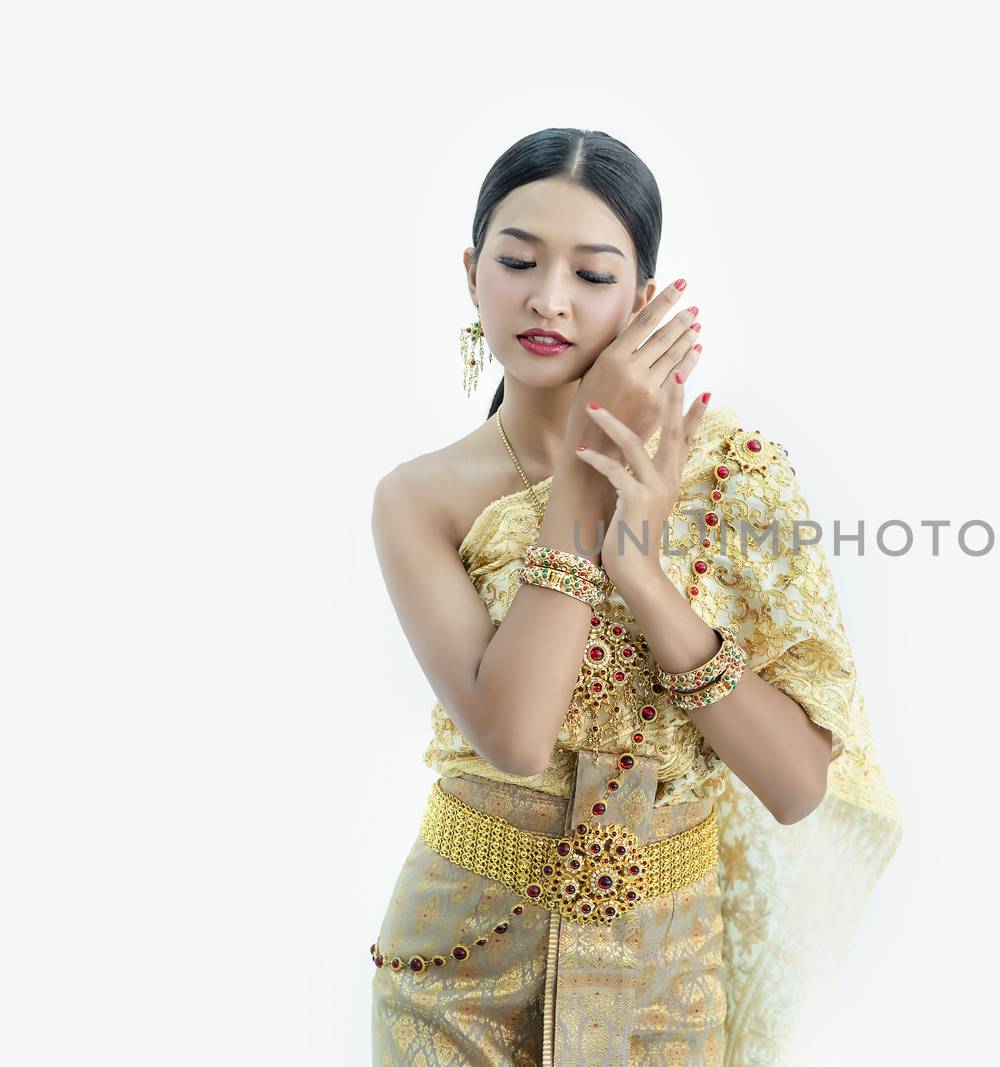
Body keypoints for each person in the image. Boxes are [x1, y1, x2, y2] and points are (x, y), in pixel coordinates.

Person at [367, 128, 901, 1067]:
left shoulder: (733, 474)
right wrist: (582, 481)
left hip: (667, 978)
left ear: (646, 301)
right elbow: (516, 735)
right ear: (470, 272)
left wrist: (645, 576)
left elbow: (797, 785)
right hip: (457, 970)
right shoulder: (420, 498)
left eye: (594, 273)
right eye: (519, 260)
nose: (549, 299)